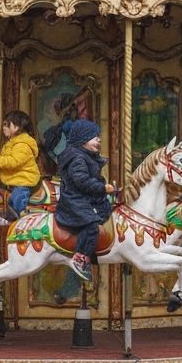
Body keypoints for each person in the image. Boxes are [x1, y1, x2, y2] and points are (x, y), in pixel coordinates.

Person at [55, 119, 114, 284]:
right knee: (91, 227)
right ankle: (80, 259)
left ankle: (96, 252)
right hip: (74, 201)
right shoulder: (77, 158)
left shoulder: (85, 156)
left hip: (84, 198)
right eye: (95, 137)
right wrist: (102, 188)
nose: (99, 140)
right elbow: (81, 181)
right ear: (83, 139)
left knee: (107, 211)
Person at [0, 109, 41, 220]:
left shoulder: (23, 144)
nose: (3, 128)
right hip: (10, 180)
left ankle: (16, 223)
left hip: (23, 181)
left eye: (7, 125)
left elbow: (13, 162)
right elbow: (6, 161)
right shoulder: (11, 143)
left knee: (16, 201)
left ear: (17, 127)